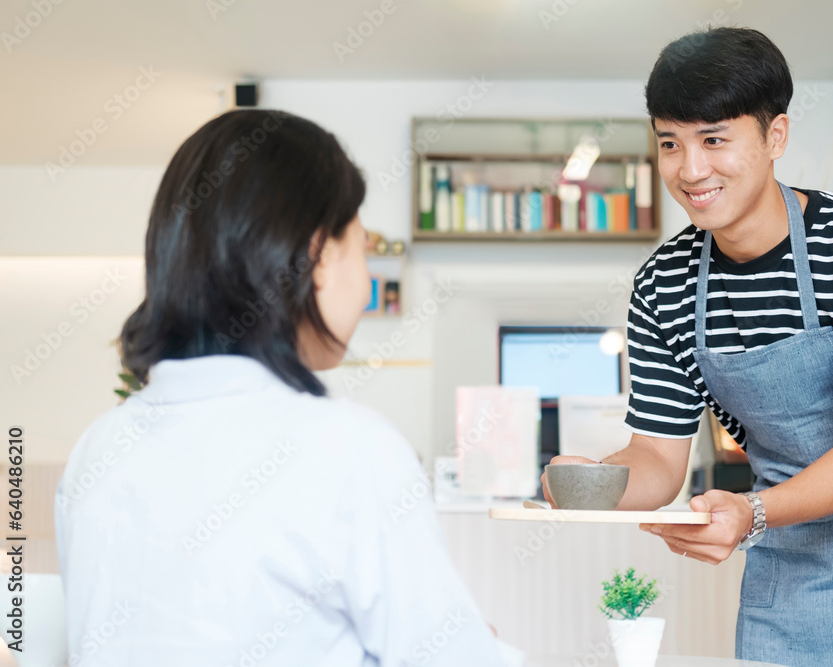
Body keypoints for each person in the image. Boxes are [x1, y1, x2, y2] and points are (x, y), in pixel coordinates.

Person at [542, 27, 833, 666]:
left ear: (775, 137)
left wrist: (754, 512)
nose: (690, 170)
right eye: (670, 143)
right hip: (785, 543)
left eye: (714, 140)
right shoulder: (663, 284)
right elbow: (658, 458)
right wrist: (588, 483)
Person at [55, 109, 508, 667]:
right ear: (319, 253)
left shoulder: (97, 451)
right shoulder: (349, 448)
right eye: (363, 246)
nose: (366, 288)